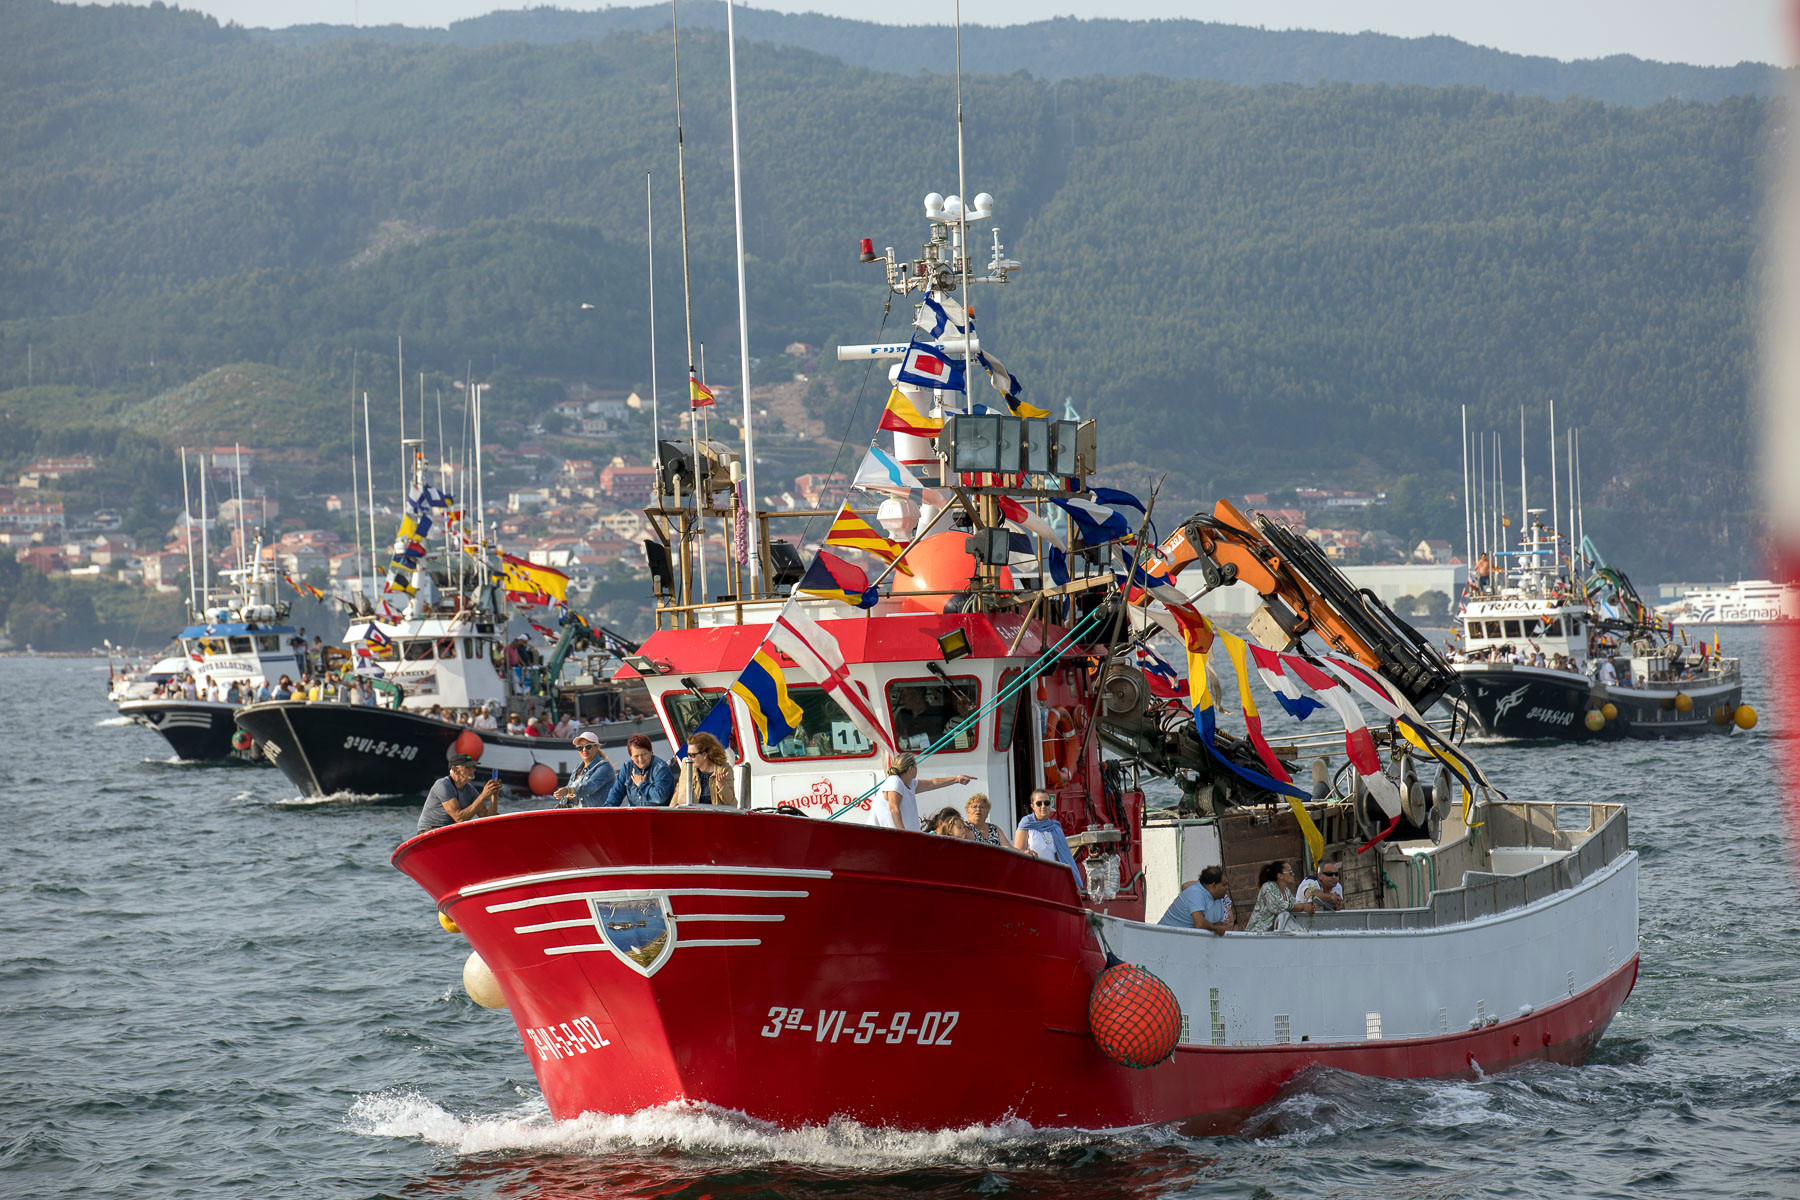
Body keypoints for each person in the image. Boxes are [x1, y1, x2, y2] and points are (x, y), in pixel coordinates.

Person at [876, 754, 972, 831]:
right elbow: (894, 808)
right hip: (890, 835)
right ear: (911, 769)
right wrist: (902, 833)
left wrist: (956, 779)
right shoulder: (894, 781)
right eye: (916, 766)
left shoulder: (911, 784)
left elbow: (932, 783)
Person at [1014, 790, 1084, 888]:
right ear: (1032, 806)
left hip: (1053, 878)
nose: (1043, 806)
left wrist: (1072, 882)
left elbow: (1062, 858)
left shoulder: (1055, 827)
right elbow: (1017, 854)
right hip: (1033, 878)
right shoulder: (1026, 825)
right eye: (1039, 803)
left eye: (1046, 803)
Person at [417, 751, 500, 833]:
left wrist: (494, 795)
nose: (473, 769)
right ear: (455, 769)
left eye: (473, 766)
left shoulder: (470, 789)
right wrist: (483, 795)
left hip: (451, 832)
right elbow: (459, 818)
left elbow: (487, 817)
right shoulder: (443, 785)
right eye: (468, 767)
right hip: (430, 832)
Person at [1157, 865, 1233, 934]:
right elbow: (1200, 924)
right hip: (1164, 936)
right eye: (1224, 885)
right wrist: (1215, 929)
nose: (1227, 888)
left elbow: (1220, 924)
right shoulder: (1196, 893)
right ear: (1213, 886)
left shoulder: (1219, 898)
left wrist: (1214, 927)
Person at [605, 733, 676, 807]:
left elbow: (660, 797)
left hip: (658, 816)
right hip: (636, 816)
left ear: (650, 752)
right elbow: (615, 795)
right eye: (636, 756)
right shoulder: (627, 768)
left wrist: (642, 784)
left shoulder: (661, 768)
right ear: (631, 757)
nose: (640, 759)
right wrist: (604, 814)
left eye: (644, 754)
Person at [671, 732, 737, 807]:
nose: (689, 758)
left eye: (692, 755)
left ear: (704, 755)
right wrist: (668, 815)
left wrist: (722, 786)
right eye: (688, 754)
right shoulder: (687, 766)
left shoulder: (724, 769)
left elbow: (730, 802)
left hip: (715, 816)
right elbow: (677, 792)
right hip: (692, 815)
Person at [1246, 860, 1313, 932]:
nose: (1293, 874)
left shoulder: (1286, 891)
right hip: (1256, 934)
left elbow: (1294, 903)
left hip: (1271, 935)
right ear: (1280, 876)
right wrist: (1303, 906)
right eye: (1290, 872)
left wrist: (1309, 905)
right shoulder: (1268, 887)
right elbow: (1279, 906)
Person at [553, 730, 616, 808]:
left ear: (596, 747)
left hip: (598, 815)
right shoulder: (577, 768)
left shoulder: (605, 767)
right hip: (579, 816)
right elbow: (571, 791)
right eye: (580, 747)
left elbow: (589, 787)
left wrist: (568, 790)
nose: (584, 750)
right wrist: (563, 804)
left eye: (588, 746)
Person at [1290, 861, 1344, 931]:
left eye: (1336, 874)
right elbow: (1311, 893)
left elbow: (1338, 909)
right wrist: (1331, 897)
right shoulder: (1310, 881)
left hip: (1325, 925)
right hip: (1301, 924)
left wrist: (1339, 905)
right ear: (1319, 876)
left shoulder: (1338, 886)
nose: (1334, 877)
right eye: (1329, 874)